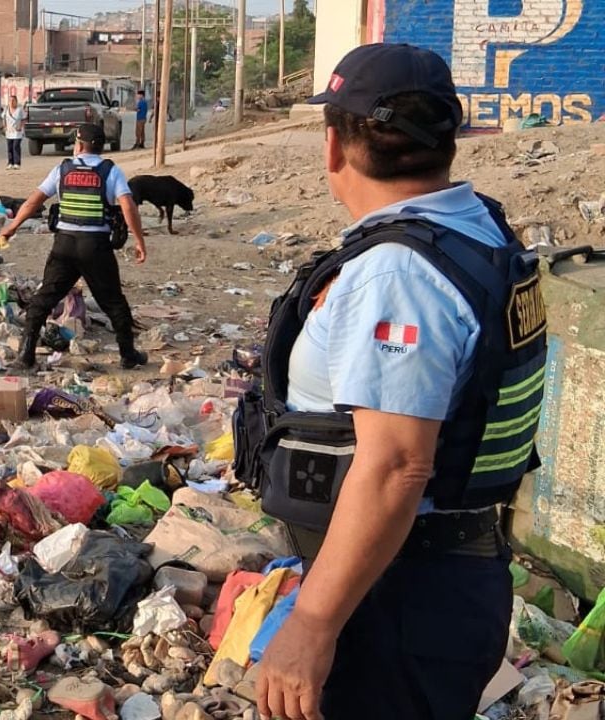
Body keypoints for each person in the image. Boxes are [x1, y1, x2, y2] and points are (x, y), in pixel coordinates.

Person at [235, 44, 547, 720]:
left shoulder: (398, 272)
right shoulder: (477, 225)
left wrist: (313, 625)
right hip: (423, 576)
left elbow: (398, 465)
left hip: (401, 593)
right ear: (449, 141)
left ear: (334, 146)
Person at [0, 123, 149, 370]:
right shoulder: (111, 171)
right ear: (100, 147)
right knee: (113, 301)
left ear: (78, 144)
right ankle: (127, 353)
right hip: (96, 247)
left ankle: (26, 354)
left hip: (65, 245)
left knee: (44, 298)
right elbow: (128, 206)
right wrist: (139, 240)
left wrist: (13, 226)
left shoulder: (62, 169)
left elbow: (34, 201)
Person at [3, 94, 27, 170]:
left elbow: (24, 119)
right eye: (10, 101)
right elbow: (3, 118)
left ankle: (17, 163)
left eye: (13, 101)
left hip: (17, 133)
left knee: (15, 146)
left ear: (16, 101)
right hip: (9, 132)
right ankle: (10, 163)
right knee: (9, 148)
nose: (11, 102)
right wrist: (5, 126)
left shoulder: (20, 110)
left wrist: (20, 126)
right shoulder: (6, 110)